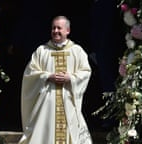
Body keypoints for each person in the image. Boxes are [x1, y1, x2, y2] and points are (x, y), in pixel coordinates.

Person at [18, 16, 93, 144]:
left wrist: (71, 78)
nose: (56, 31)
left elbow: (86, 72)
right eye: (53, 28)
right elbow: (30, 73)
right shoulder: (42, 51)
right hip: (46, 107)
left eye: (59, 28)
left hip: (69, 103)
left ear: (67, 30)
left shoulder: (77, 51)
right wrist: (47, 76)